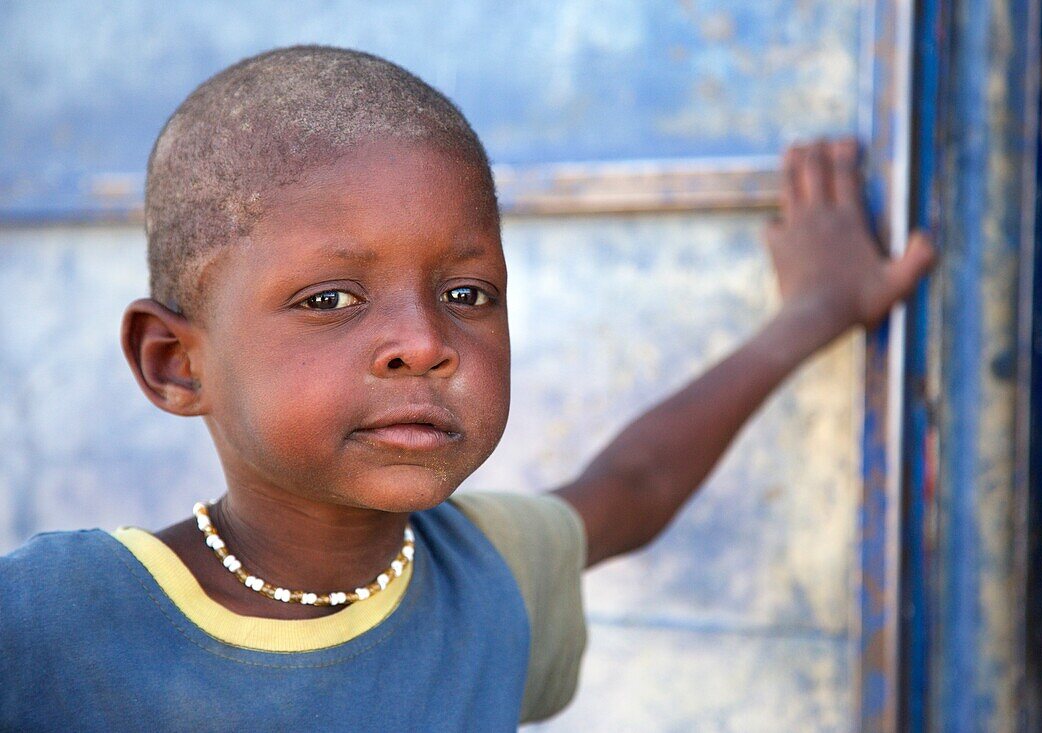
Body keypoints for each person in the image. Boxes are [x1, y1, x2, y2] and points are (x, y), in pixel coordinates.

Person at [0, 46, 935, 730]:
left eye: (466, 293)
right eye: (331, 298)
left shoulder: (488, 575)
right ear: (175, 361)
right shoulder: (49, 621)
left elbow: (636, 487)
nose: (423, 341)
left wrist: (813, 313)